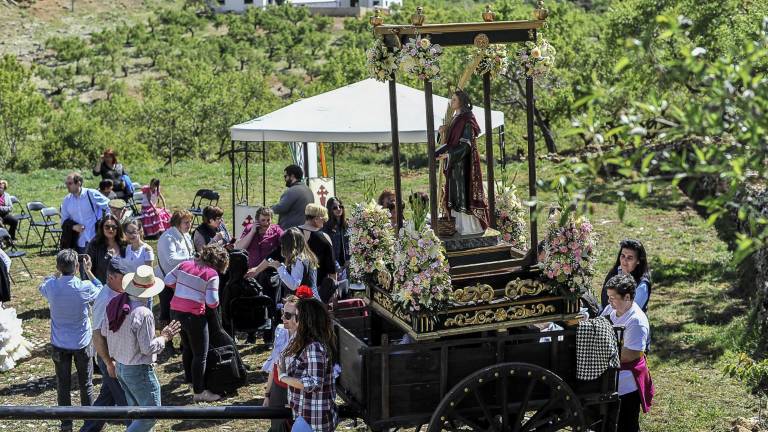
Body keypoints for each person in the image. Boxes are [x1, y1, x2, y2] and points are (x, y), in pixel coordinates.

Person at [100, 265, 181, 432]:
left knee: (137, 413)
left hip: (121, 366)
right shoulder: (143, 313)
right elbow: (147, 348)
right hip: (138, 370)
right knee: (151, 415)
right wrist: (165, 337)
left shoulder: (116, 304)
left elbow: (104, 332)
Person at [39, 250, 103, 432]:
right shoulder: (84, 287)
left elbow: (42, 286)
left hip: (59, 344)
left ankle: (66, 424)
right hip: (81, 342)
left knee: (63, 385)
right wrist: (89, 271)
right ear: (77, 267)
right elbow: (101, 289)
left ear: (58, 266)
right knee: (86, 383)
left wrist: (55, 275)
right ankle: (89, 422)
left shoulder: (52, 286)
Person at [165, 244, 229, 402]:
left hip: (175, 311)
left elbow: (167, 280)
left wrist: (181, 290)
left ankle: (190, 380)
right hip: (194, 316)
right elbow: (212, 302)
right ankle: (199, 391)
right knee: (200, 354)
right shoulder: (212, 274)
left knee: (187, 347)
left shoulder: (185, 263)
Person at [81, 257, 130, 432]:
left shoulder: (116, 289)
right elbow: (97, 335)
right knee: (128, 404)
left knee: (106, 399)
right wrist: (109, 362)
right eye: (122, 277)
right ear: (111, 277)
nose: (126, 280)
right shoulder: (105, 299)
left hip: (117, 356)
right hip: (110, 357)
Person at [601, 273, 653, 432]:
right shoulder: (612, 308)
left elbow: (630, 354)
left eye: (613, 298)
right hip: (611, 378)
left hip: (626, 384)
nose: (609, 302)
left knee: (626, 425)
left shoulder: (636, 321)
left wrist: (599, 351)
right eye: (608, 297)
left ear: (628, 297)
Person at [278, 297, 338, 432]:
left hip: (312, 420)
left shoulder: (314, 347)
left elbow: (314, 383)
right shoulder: (304, 341)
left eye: (297, 316)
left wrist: (283, 377)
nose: (293, 320)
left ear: (307, 319)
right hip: (306, 415)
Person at [435, 89, 489, 235]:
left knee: (462, 194)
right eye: (451, 99)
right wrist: (442, 132)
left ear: (462, 102)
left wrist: (449, 155)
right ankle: (457, 226)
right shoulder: (454, 118)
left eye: (454, 100)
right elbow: (448, 141)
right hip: (454, 164)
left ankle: (470, 228)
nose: (451, 102)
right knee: (454, 195)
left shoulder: (467, 119)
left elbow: (466, 145)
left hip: (463, 164)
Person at [155, 210, 195, 346]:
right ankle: (167, 343)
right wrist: (192, 259)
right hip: (166, 281)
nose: (189, 225)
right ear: (177, 223)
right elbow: (171, 260)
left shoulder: (186, 235)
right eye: (186, 222)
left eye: (190, 222)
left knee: (182, 311)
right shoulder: (168, 237)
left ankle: (185, 342)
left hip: (181, 280)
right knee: (167, 312)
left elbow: (190, 252)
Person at [262, 295, 300, 432]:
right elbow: (274, 364)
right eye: (283, 313)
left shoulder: (309, 343)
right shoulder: (281, 331)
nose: (283, 318)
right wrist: (267, 394)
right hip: (279, 388)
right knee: (277, 426)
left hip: (297, 392)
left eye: (288, 315)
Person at [247, 228, 319, 299]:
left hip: (306, 302)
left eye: (283, 244)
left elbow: (294, 285)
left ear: (289, 245)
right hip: (312, 299)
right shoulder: (308, 257)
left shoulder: (298, 260)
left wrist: (278, 267)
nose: (281, 246)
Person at [61, 173, 111, 253]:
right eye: (66, 183)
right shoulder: (66, 200)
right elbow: (64, 221)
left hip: (95, 238)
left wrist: (107, 222)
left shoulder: (91, 193)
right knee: (82, 265)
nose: (67, 186)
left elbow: (109, 205)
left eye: (70, 183)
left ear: (78, 183)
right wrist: (74, 227)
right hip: (79, 242)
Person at [600, 239, 651, 312]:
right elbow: (604, 301)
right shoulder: (614, 273)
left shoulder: (642, 285)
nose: (624, 261)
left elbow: (630, 312)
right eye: (623, 256)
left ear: (638, 261)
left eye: (630, 258)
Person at [298, 204, 336, 300]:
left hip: (293, 286)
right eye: (323, 219)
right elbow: (331, 268)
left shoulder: (292, 232)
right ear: (316, 219)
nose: (325, 221)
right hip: (317, 288)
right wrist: (333, 289)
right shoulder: (324, 238)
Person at [86, 215, 127, 284]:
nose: (110, 229)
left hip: (123, 286)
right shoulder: (94, 245)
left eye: (114, 227)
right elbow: (87, 269)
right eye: (107, 227)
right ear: (102, 228)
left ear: (118, 228)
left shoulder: (125, 244)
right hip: (102, 287)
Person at [272, 165, 314, 230]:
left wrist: (268, 209)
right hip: (304, 229)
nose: (285, 179)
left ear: (292, 176)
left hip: (291, 231)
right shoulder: (308, 190)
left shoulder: (292, 190)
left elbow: (281, 207)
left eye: (286, 176)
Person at [322, 198, 349, 280]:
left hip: (347, 265)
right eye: (335, 208)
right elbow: (328, 250)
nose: (338, 209)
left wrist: (348, 260)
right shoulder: (326, 227)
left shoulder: (346, 225)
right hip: (334, 267)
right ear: (330, 210)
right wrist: (337, 266)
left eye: (340, 206)